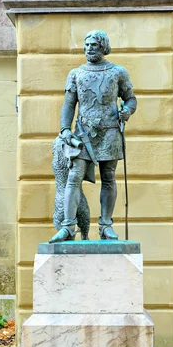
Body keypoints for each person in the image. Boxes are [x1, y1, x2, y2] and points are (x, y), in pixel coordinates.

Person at [49, 29, 137, 242]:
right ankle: (68, 226)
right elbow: (69, 105)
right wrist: (65, 129)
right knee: (73, 177)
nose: (89, 48)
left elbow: (131, 99)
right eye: (87, 45)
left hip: (109, 133)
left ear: (103, 47)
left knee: (108, 178)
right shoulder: (76, 74)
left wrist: (127, 110)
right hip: (83, 134)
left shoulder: (118, 72)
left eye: (94, 45)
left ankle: (106, 225)